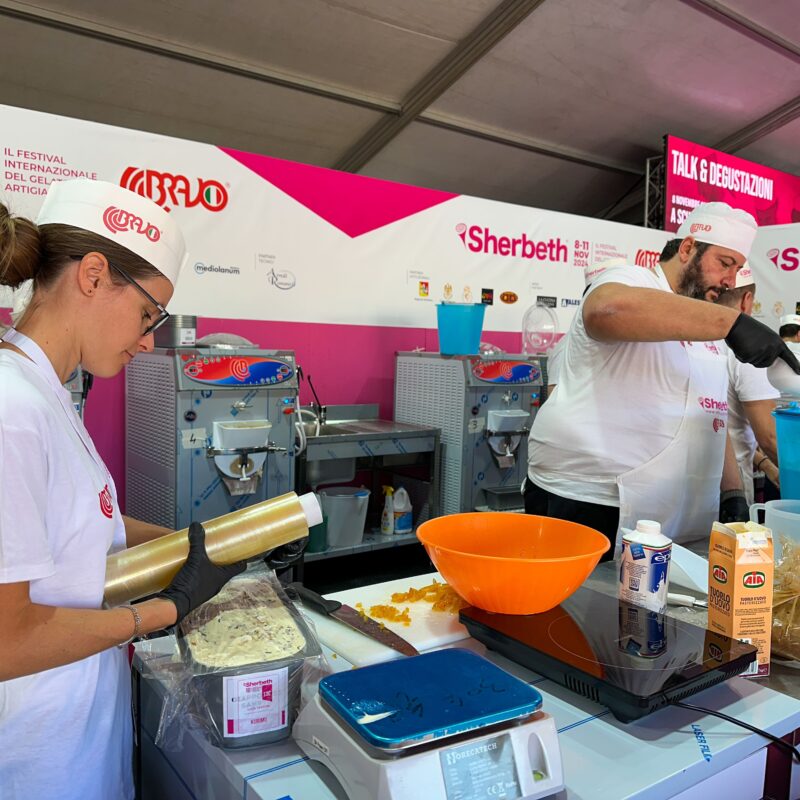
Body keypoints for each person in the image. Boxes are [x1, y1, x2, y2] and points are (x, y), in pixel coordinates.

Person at [0, 179, 246, 800]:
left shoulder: (50, 396)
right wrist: (164, 611)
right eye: (146, 315)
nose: (147, 340)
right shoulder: (10, 408)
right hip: (32, 763)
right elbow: (6, 640)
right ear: (92, 275)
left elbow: (87, 527)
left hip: (82, 740)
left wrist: (204, 546)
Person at [525, 202, 800, 556]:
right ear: (687, 249)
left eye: (737, 269)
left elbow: (711, 414)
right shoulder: (631, 279)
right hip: (590, 498)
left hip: (671, 515)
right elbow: (606, 309)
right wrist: (732, 323)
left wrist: (732, 493)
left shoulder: (705, 321)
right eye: (725, 263)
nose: (730, 280)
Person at [714, 264, 779, 507]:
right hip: (733, 493)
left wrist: (763, 464)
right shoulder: (748, 350)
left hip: (690, 487)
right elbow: (770, 436)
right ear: (746, 300)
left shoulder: (694, 335)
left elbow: (729, 428)